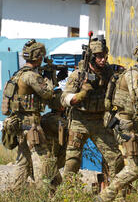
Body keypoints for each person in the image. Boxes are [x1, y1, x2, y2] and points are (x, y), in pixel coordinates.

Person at [98, 40, 138, 202]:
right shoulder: (135, 75)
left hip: (133, 124)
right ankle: (107, 197)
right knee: (135, 167)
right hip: (125, 125)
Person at [60, 38, 124, 182]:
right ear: (92, 57)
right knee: (72, 161)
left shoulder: (109, 72)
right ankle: (67, 194)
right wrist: (81, 94)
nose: (103, 60)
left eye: (104, 56)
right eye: (99, 56)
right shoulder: (78, 75)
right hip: (79, 121)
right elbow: (64, 99)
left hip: (99, 121)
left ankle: (114, 192)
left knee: (116, 158)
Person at [3, 40, 61, 192]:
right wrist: (49, 78)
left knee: (23, 160)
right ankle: (45, 195)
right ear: (38, 57)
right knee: (43, 159)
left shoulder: (18, 74)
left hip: (19, 122)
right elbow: (48, 93)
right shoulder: (30, 76)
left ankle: (16, 191)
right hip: (31, 124)